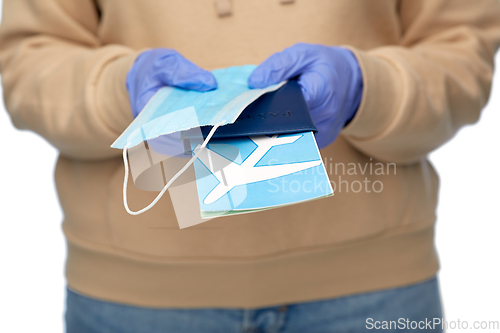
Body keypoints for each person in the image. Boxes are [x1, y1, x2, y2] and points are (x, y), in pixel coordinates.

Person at [1, 0, 499, 332]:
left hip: (373, 295)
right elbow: (27, 61)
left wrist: (367, 87)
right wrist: (119, 87)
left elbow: (462, 53)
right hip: (135, 303)